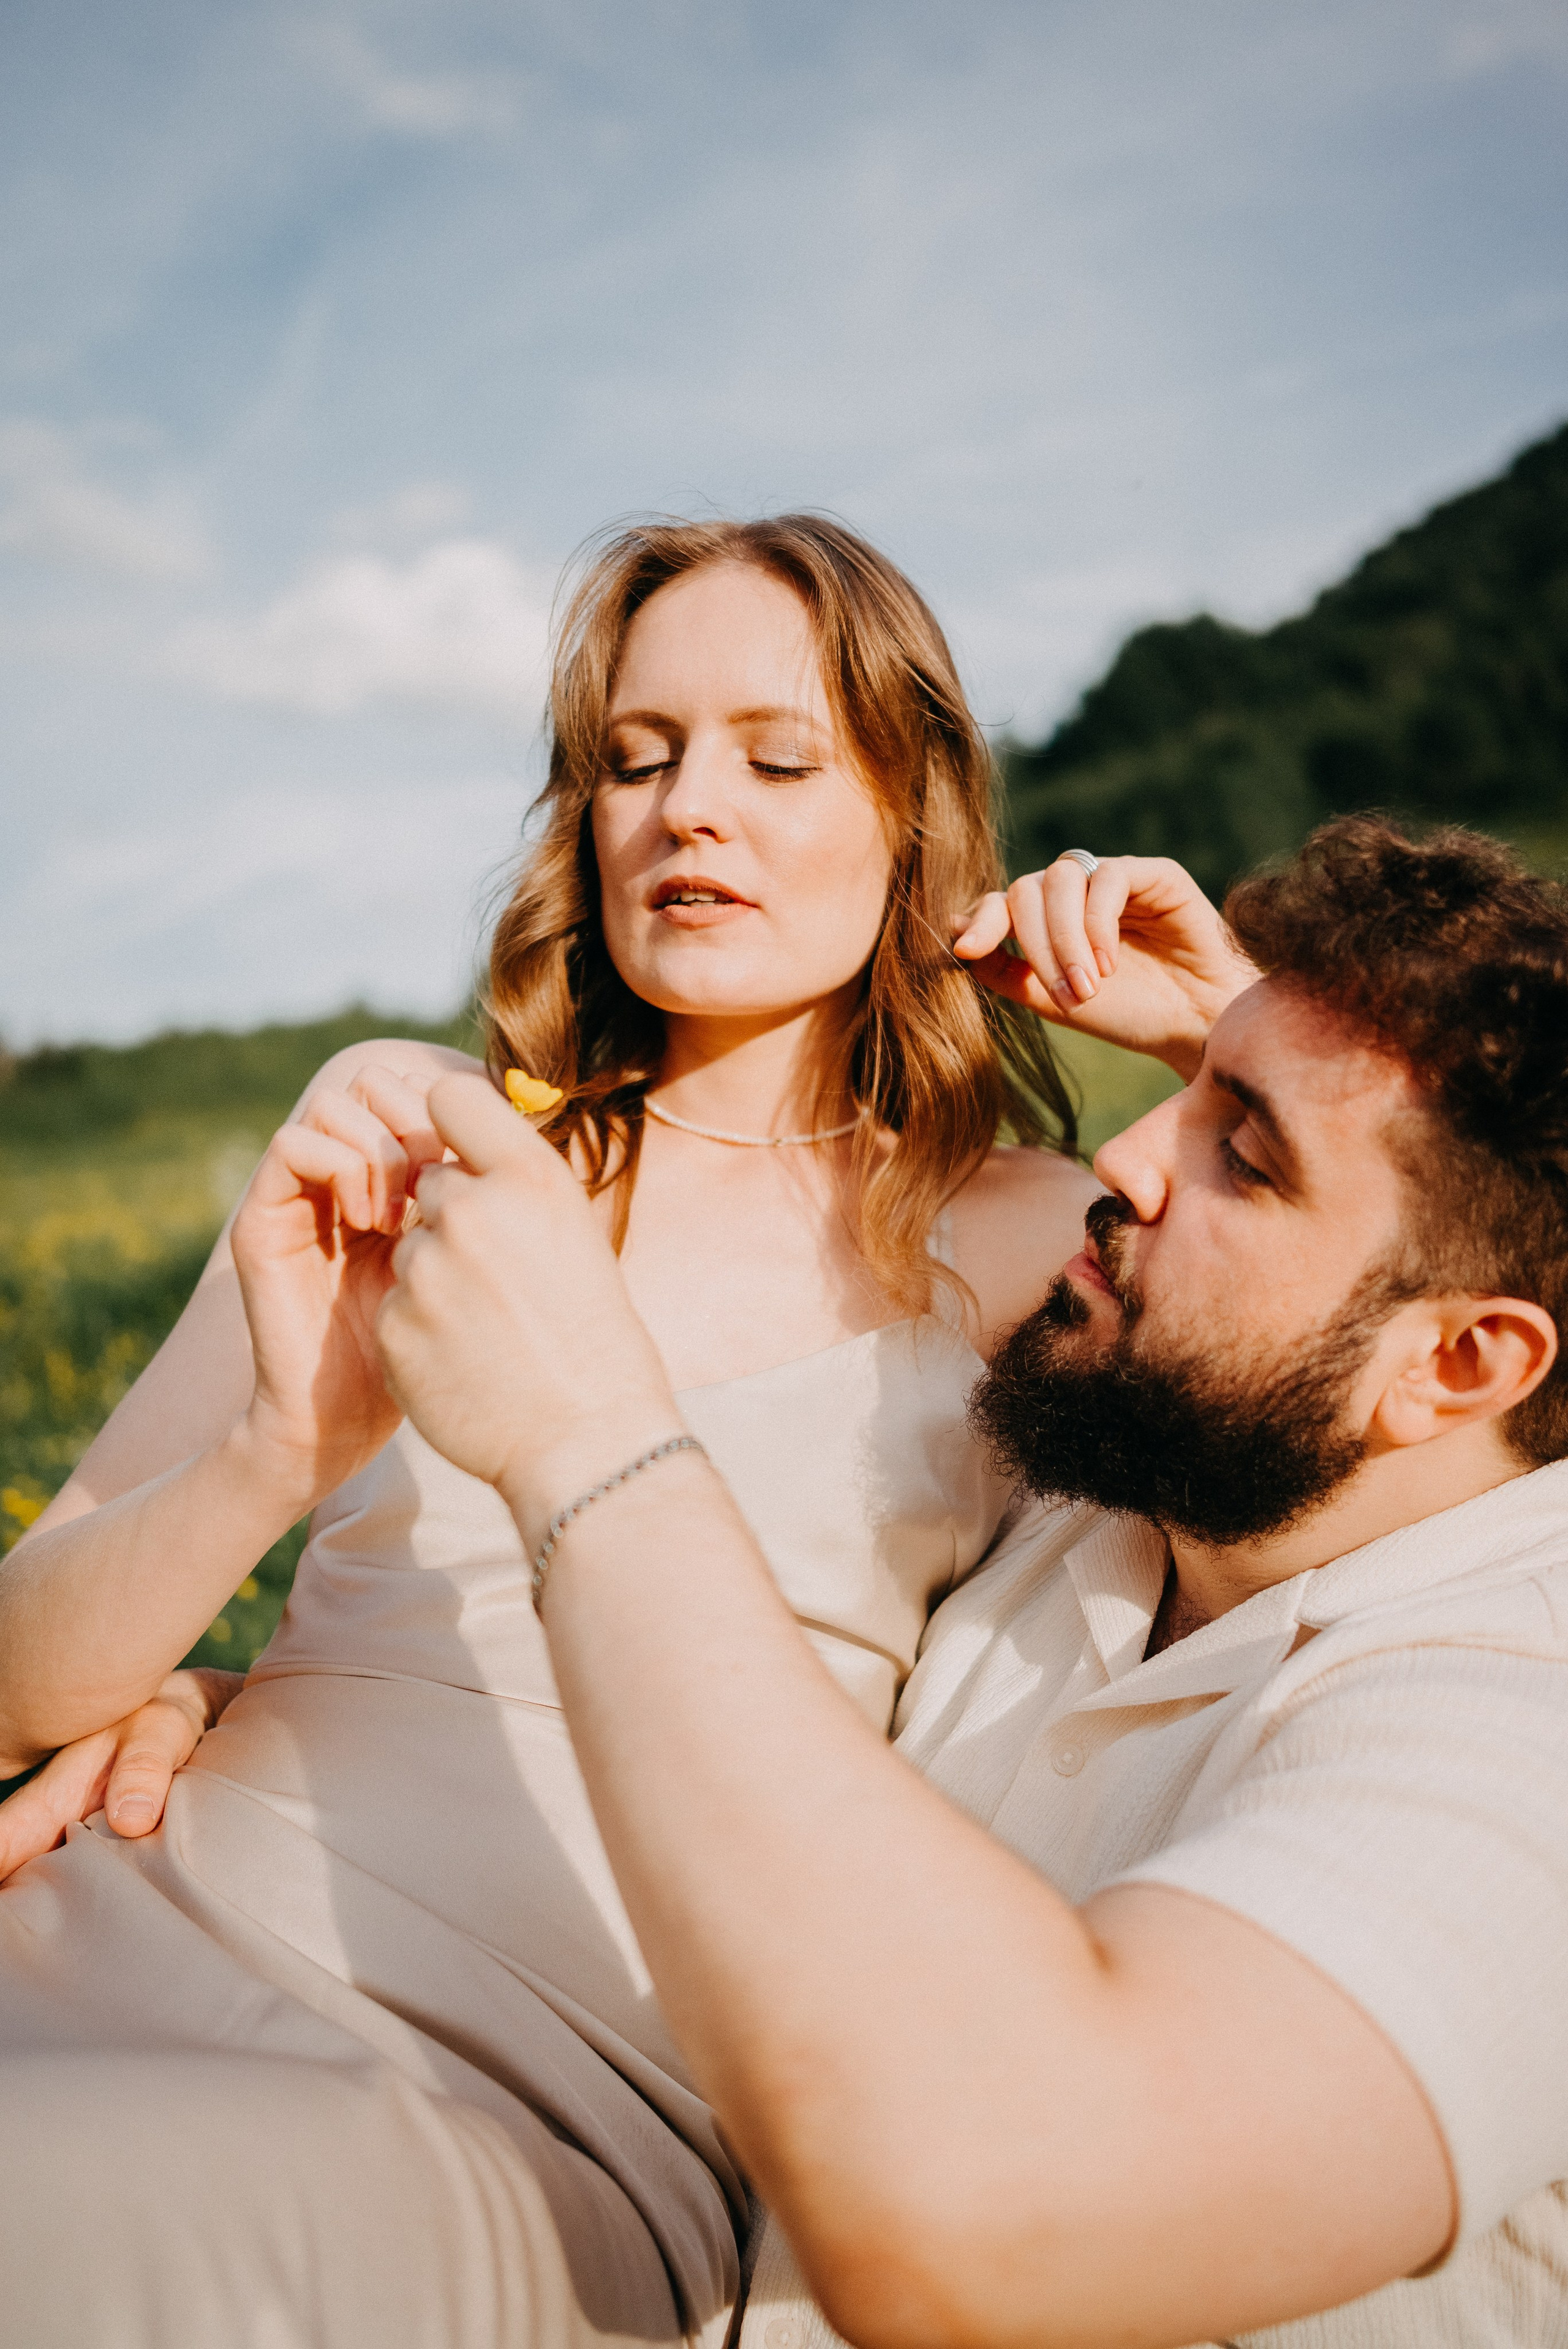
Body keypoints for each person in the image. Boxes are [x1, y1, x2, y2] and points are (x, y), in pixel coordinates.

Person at [0, 518, 1245, 2345]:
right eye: (636, 759)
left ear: (913, 808)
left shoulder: (1036, 1236)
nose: (686, 810)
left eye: (776, 754)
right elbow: (25, 1674)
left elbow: (1436, 1400)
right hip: (132, 1907)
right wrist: (273, 1452)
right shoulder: (407, 1129)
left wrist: (1225, 1039)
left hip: (518, 2090)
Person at [342, 813, 1566, 2348]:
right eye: (1182, 1096)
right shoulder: (1124, 1476)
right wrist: (279, 1704)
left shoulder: (1521, 1719)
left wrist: (584, 1443)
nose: (1120, 1158)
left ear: (1458, 1357)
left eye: (1237, 1154)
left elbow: (989, 2206)